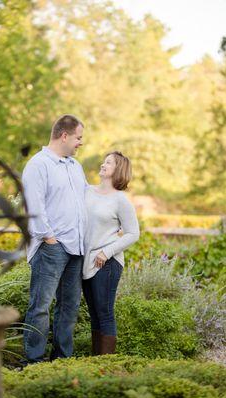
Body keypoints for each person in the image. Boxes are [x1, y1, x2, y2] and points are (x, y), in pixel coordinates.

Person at [22, 114, 86, 363]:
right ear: (64, 135)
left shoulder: (75, 166)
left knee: (69, 309)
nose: (80, 143)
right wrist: (49, 239)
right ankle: (34, 362)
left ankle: (61, 361)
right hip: (52, 248)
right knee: (40, 307)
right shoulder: (39, 165)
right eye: (79, 138)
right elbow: (33, 206)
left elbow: (83, 200)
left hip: (76, 248)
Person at [82, 151, 140, 355]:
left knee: (104, 313)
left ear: (119, 170)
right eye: (104, 160)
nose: (103, 164)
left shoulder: (120, 200)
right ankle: (95, 362)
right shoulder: (87, 191)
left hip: (107, 262)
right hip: (86, 261)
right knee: (94, 314)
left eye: (109, 162)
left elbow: (133, 233)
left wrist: (106, 252)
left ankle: (105, 365)